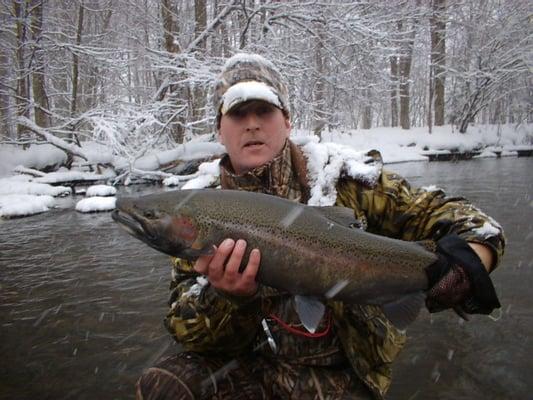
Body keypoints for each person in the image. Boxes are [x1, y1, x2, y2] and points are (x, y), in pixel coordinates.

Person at [136, 53, 505, 400]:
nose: (252, 123)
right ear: (220, 129)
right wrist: (226, 298)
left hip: (340, 375)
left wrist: (464, 264)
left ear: (288, 121)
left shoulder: (348, 181)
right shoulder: (198, 209)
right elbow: (187, 331)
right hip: (246, 373)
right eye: (238, 113)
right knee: (163, 385)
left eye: (264, 110)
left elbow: (474, 224)